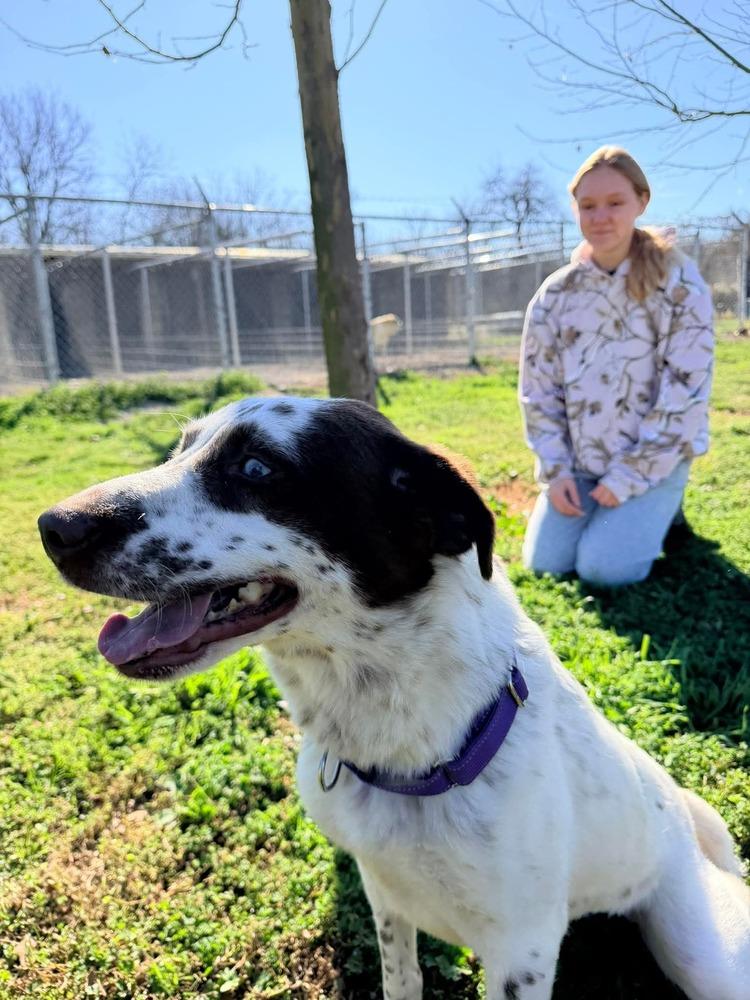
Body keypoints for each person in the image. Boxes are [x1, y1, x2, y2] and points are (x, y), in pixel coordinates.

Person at [518, 146, 714, 587]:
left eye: (614, 203)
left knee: (602, 571)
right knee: (546, 564)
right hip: (582, 463)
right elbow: (538, 389)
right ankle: (635, 515)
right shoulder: (556, 295)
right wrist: (559, 470)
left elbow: (686, 391)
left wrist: (629, 477)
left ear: (641, 202)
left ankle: (660, 506)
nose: (600, 216)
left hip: (652, 459)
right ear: (575, 209)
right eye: (588, 205)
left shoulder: (679, 282)